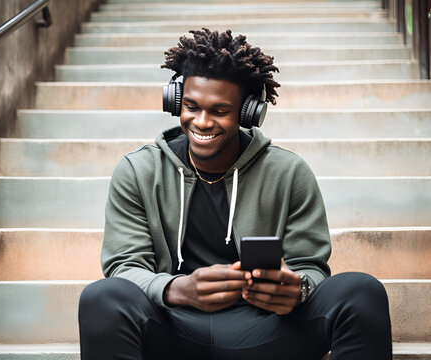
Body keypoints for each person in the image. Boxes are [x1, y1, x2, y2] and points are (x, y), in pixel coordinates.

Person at [79, 28, 392, 360]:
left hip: (268, 329)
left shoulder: (288, 172)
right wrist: (176, 289)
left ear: (248, 113)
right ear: (175, 102)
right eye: (191, 106)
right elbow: (125, 266)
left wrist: (296, 289)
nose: (201, 122)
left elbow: (310, 266)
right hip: (172, 326)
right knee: (102, 297)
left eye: (219, 110)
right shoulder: (138, 171)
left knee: (361, 290)